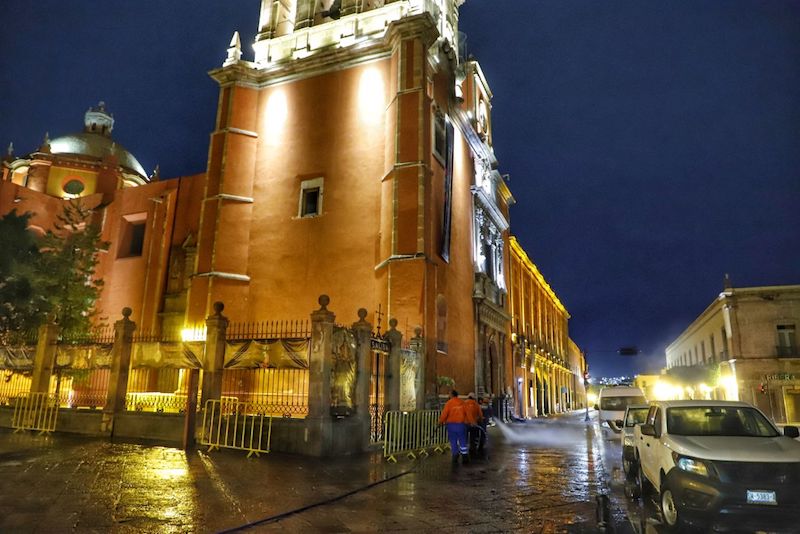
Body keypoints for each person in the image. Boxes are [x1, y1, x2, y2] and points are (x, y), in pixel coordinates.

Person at [439, 390, 469, 464]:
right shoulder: (462, 403)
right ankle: (464, 456)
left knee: (453, 441)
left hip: (451, 425)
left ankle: (455, 455)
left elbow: (444, 414)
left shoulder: (449, 403)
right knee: (462, 440)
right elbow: (468, 413)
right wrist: (470, 422)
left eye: (449, 394)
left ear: (451, 395)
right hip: (461, 425)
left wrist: (440, 422)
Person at [464, 392, 483, 457]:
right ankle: (472, 450)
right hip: (474, 424)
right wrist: (480, 421)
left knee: (465, 438)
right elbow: (480, 414)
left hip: (465, 424)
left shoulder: (464, 403)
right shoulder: (476, 404)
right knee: (473, 438)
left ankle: (464, 452)